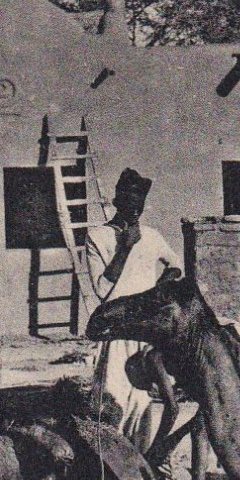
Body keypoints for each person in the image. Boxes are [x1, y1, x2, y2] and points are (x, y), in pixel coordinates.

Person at [86, 168, 179, 452]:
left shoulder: (152, 236)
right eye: (130, 205)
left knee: (143, 401)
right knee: (112, 399)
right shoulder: (97, 237)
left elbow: (175, 266)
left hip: (146, 332)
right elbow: (102, 289)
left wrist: (155, 294)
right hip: (116, 333)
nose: (136, 212)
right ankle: (111, 465)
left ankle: (142, 467)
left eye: (140, 207)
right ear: (117, 202)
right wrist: (125, 249)